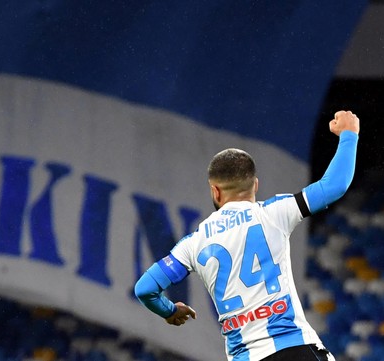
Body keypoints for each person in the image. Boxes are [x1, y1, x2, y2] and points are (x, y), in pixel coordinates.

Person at [134, 110, 359, 361]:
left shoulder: (193, 244)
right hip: (294, 348)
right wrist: (349, 134)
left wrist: (169, 311)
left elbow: (145, 288)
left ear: (215, 191)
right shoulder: (274, 212)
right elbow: (334, 185)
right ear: (255, 185)